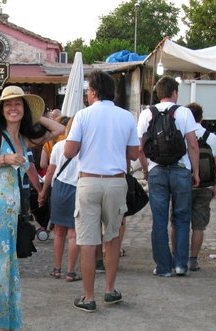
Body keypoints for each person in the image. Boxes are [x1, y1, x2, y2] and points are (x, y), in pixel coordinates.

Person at [0, 85, 63, 331]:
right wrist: (4, 159)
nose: (13, 108)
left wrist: (34, 113)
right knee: (0, 270)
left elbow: (58, 129)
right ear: (1, 110)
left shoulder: (22, 138)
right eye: (8, 104)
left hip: (8, 214)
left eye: (18, 104)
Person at [64, 71, 140, 312]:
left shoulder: (83, 115)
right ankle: (109, 289)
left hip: (88, 181)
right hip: (116, 182)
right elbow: (134, 154)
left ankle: (88, 297)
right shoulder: (126, 116)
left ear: (94, 92)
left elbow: (69, 152)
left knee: (87, 241)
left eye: (88, 91)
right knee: (113, 238)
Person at [137, 75, 200, 277]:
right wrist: (195, 171)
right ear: (174, 93)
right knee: (182, 217)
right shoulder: (184, 112)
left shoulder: (146, 114)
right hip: (181, 169)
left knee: (159, 220)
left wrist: (146, 170)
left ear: (158, 94)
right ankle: (180, 264)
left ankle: (163, 267)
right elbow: (192, 144)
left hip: (156, 170)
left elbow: (140, 148)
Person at [172, 103, 216, 272]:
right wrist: (214, 185)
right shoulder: (211, 137)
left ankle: (176, 256)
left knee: (177, 222)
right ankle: (193, 260)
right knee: (199, 225)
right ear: (201, 118)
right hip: (204, 186)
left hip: (183, 183)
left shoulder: (180, 134)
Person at [38, 116, 80, 282]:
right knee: (73, 234)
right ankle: (71, 272)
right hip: (77, 188)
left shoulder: (58, 146)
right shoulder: (85, 148)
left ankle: (56, 269)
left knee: (58, 232)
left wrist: (43, 192)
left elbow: (50, 171)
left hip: (59, 188)